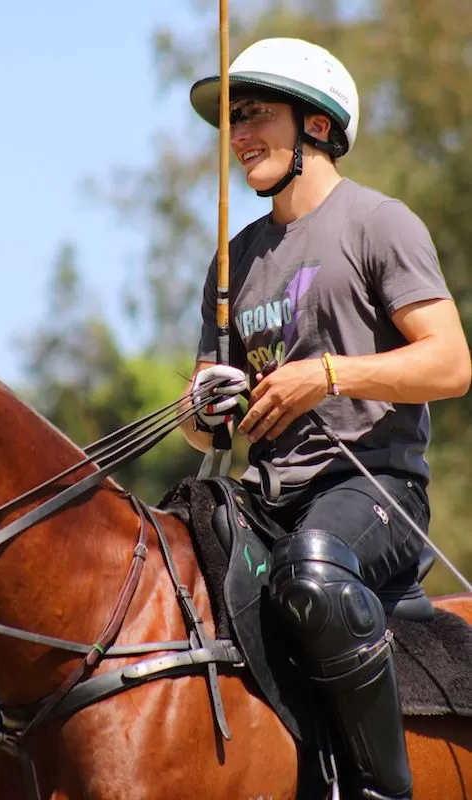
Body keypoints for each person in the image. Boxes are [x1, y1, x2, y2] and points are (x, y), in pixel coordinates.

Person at [181, 37, 471, 800]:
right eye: (231, 122)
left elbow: (449, 364)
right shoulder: (230, 262)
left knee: (310, 569)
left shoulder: (379, 223)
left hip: (374, 492)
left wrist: (330, 374)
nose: (237, 136)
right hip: (263, 494)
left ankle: (380, 792)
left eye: (254, 116)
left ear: (314, 125)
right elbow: (204, 427)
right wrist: (202, 407)